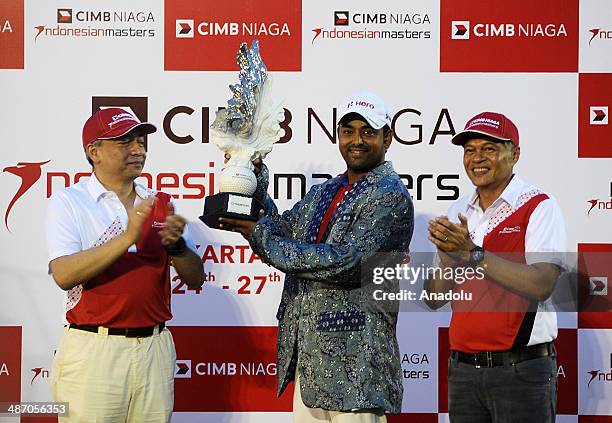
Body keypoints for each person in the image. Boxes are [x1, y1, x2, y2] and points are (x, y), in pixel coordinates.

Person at [221, 91, 413, 422]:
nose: (357, 141)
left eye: (368, 132)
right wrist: (253, 180)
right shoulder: (325, 191)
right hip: (311, 365)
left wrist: (258, 233)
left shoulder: (390, 196)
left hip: (357, 370)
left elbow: (349, 262)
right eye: (349, 131)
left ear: (388, 137)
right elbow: (282, 232)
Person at [45, 107, 204, 422]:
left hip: (154, 349)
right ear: (94, 151)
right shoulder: (70, 201)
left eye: (141, 141)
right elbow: (63, 274)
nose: (138, 150)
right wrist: (129, 235)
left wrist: (178, 247)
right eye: (124, 142)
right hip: (95, 351)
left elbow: (195, 279)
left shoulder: (158, 202)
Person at [424, 111, 566, 423]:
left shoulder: (539, 205)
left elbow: (542, 284)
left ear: (514, 154)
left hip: (521, 370)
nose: (477, 158)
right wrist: (448, 260)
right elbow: (433, 298)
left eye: (489, 148)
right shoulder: (458, 210)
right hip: (463, 372)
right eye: (469, 149)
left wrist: (473, 254)